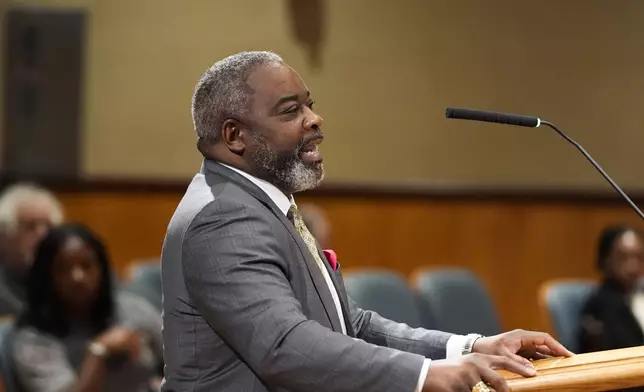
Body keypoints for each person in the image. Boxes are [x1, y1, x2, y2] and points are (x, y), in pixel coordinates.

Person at [160, 51, 572, 392]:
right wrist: (424, 377)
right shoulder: (224, 217)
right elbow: (283, 346)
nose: (314, 120)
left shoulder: (259, 202)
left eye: (309, 105)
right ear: (235, 136)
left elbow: (350, 326)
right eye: (290, 111)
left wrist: (470, 347)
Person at [11, 223, 164, 392]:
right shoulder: (33, 338)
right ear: (46, 277)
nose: (78, 277)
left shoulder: (132, 309)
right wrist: (99, 351)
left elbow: (184, 359)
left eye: (87, 265)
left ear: (103, 270)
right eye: (63, 269)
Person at [0, 183, 64, 316]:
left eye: (49, 227)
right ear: (3, 237)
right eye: (30, 227)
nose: (42, 235)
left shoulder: (77, 272)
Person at [579, 225, 644, 354]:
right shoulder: (598, 305)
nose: (633, 266)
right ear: (606, 259)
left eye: (639, 257)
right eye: (624, 257)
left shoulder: (640, 293)